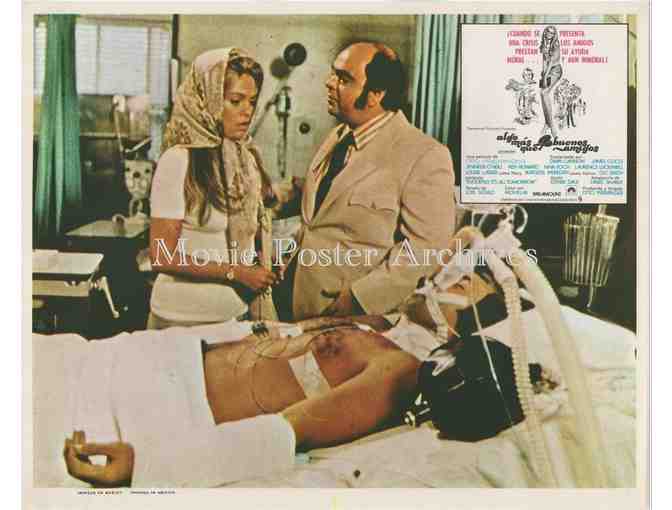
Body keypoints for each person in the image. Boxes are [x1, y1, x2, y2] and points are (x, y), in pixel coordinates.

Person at [57, 232, 497, 488]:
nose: (444, 277)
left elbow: (283, 433)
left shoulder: (399, 369)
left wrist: (145, 465)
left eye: (463, 283)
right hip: (131, 360)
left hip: (150, 411)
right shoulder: (380, 325)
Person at [273, 41, 456, 321]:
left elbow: (426, 249)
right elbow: (325, 203)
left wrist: (361, 298)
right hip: (297, 300)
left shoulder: (424, 155)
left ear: (376, 94)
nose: (329, 83)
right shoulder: (340, 136)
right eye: (333, 73)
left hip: (351, 314)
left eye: (343, 79)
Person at [147, 48, 279, 329]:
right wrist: (236, 273)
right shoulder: (179, 159)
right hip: (181, 319)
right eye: (235, 101)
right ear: (207, 100)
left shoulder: (244, 157)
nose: (247, 111)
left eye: (252, 101)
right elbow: (161, 256)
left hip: (231, 313)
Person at [538, 26, 563, 138]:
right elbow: (544, 60)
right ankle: (547, 123)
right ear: (545, 32)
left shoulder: (555, 45)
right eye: (548, 31)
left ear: (554, 35)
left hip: (555, 70)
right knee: (542, 94)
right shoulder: (544, 43)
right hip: (547, 71)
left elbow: (552, 63)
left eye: (552, 33)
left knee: (544, 93)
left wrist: (545, 77)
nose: (549, 34)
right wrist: (543, 73)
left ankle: (551, 125)